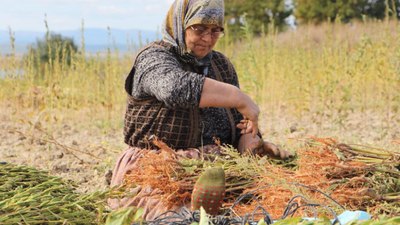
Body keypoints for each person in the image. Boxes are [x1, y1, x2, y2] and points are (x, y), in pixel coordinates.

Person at [109, 0, 293, 220]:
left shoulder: (221, 65)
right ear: (180, 23)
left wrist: (252, 146)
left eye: (216, 31)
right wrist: (239, 97)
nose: (207, 39)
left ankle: (210, 205)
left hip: (218, 169)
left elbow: (239, 124)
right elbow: (175, 88)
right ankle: (195, 210)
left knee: (270, 205)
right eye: (199, 29)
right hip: (161, 168)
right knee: (173, 214)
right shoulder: (154, 58)